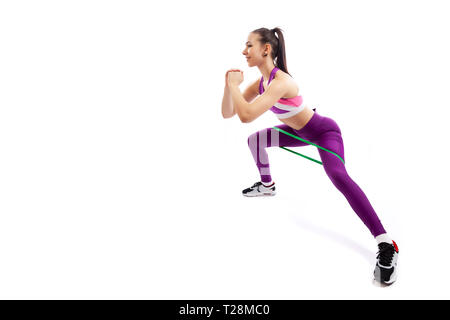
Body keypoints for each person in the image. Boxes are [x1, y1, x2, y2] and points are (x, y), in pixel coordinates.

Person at [221, 27, 398, 285]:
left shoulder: (281, 82)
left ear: (266, 49)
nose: (244, 51)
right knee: (256, 140)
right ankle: (267, 185)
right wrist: (229, 87)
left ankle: (385, 243)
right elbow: (229, 113)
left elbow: (246, 115)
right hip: (297, 132)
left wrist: (235, 87)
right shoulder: (261, 83)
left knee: (338, 176)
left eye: (249, 45)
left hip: (323, 132)